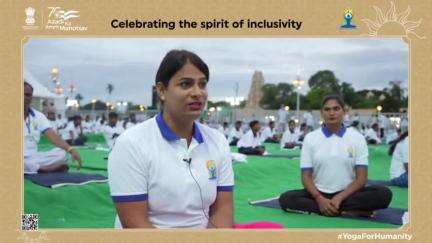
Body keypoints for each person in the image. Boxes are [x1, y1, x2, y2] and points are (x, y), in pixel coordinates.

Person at [108, 49, 234, 229]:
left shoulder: (218, 141)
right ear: (161, 90)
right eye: (185, 84)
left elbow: (223, 210)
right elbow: (136, 225)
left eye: (202, 84)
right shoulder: (131, 144)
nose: (197, 92)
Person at [279, 94, 392, 217]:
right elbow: (306, 176)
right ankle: (344, 210)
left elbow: (361, 179)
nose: (331, 113)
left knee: (383, 194)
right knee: (286, 199)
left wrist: (339, 198)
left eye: (336, 109)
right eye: (327, 109)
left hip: (348, 194)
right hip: (318, 193)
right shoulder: (310, 138)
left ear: (344, 112)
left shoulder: (357, 138)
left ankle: (330, 208)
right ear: (322, 113)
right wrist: (319, 199)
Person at [23, 81, 82, 174]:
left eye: (28, 95)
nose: (25, 97)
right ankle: (43, 169)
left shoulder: (38, 116)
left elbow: (53, 137)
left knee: (62, 153)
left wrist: (71, 150)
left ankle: (36, 168)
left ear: (31, 98)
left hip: (34, 156)